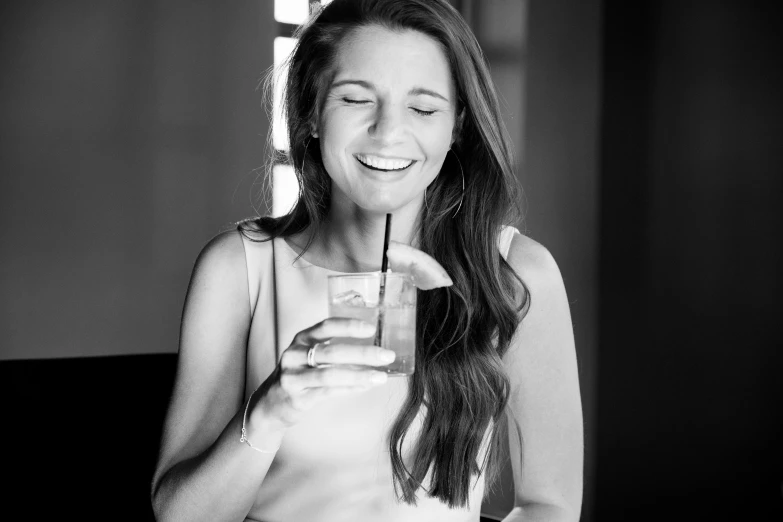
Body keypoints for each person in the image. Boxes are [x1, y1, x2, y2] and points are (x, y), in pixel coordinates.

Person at [151, 0, 583, 520]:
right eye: (356, 99)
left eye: (423, 109)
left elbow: (550, 503)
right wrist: (271, 410)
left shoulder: (514, 274)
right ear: (311, 113)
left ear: (458, 128)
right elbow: (179, 515)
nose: (387, 133)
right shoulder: (238, 269)